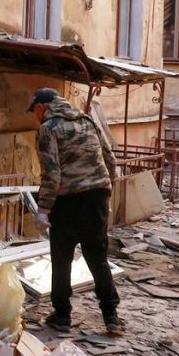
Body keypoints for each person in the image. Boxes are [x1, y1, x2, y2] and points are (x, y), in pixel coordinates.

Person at [27, 87, 122, 335]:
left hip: (67, 200)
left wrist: (43, 209)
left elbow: (52, 172)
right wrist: (106, 190)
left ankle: (62, 317)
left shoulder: (48, 128)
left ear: (41, 108)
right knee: (98, 258)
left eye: (34, 111)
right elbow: (110, 159)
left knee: (62, 260)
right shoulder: (87, 120)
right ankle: (111, 316)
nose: (35, 116)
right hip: (97, 196)